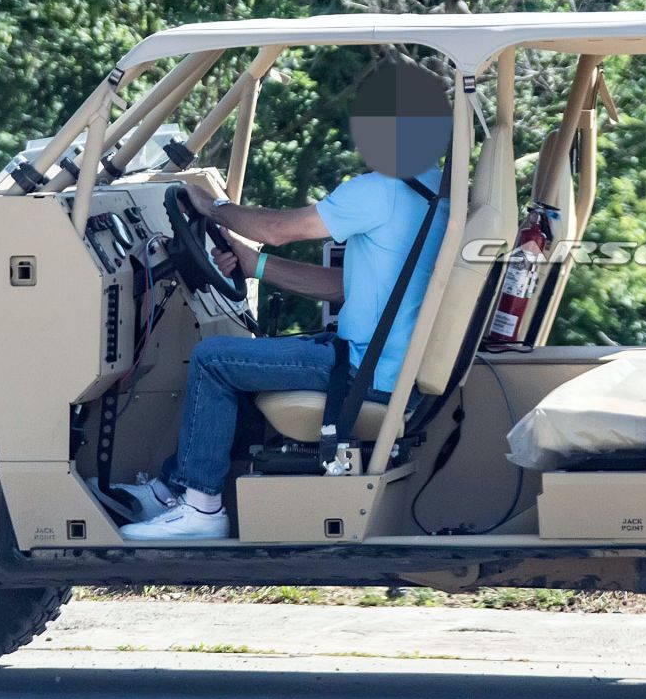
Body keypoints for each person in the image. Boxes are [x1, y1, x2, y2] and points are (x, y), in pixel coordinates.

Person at [120, 64, 451, 540]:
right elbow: (345, 287)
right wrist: (255, 267)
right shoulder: (430, 192)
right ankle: (174, 486)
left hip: (363, 372)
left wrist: (211, 208)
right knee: (247, 357)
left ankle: (202, 508)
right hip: (384, 365)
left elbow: (279, 230)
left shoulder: (382, 191)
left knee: (214, 359)